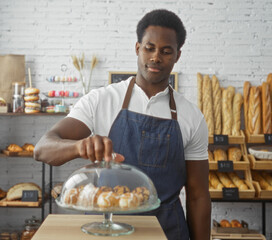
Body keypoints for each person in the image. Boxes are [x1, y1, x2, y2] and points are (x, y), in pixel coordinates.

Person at [34, 9, 211, 240]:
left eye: (166, 51)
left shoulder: (191, 116)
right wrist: (79, 147)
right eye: (149, 48)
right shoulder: (101, 100)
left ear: (177, 56)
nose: (156, 57)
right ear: (138, 48)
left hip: (167, 232)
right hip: (104, 230)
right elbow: (42, 149)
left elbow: (198, 196)